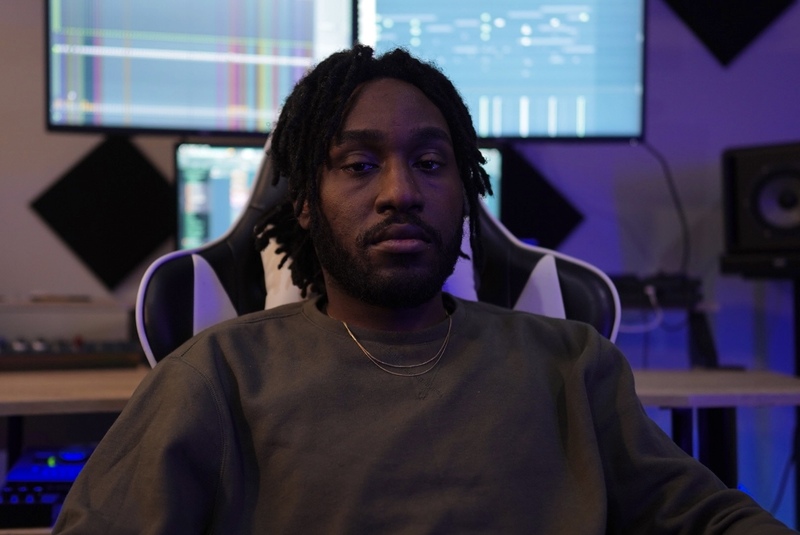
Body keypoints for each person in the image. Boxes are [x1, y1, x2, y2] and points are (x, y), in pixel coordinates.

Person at [53, 45, 794, 534]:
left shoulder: (572, 365)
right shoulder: (216, 376)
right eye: (358, 165)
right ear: (304, 202)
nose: (401, 192)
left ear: (465, 192)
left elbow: (706, 517)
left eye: (432, 164)